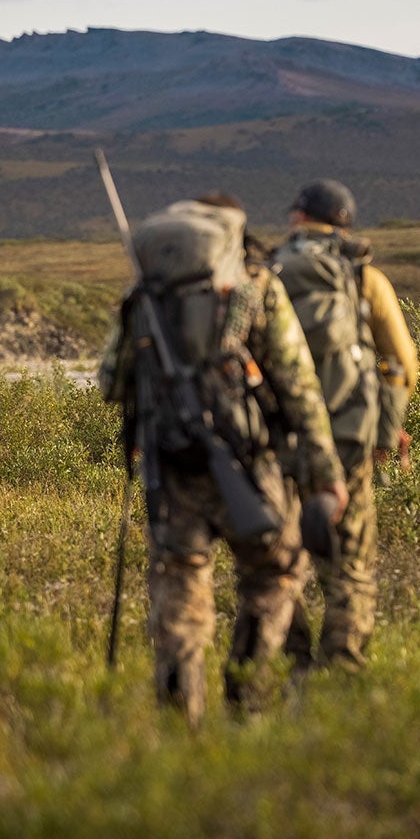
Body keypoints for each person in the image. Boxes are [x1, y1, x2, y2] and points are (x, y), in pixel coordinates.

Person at [99, 193, 347, 727]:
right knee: (275, 572)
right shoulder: (255, 287)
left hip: (172, 471)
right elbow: (300, 386)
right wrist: (325, 473)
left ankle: (179, 719)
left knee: (180, 590)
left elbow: (110, 383)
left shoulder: (145, 295)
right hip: (249, 465)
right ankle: (245, 696)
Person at [273, 179, 418, 672]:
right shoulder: (362, 276)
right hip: (347, 438)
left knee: (278, 556)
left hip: (277, 439)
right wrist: (384, 431)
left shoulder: (263, 272)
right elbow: (401, 362)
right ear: (344, 222)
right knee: (349, 562)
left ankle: (292, 661)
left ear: (297, 218)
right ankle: (343, 668)